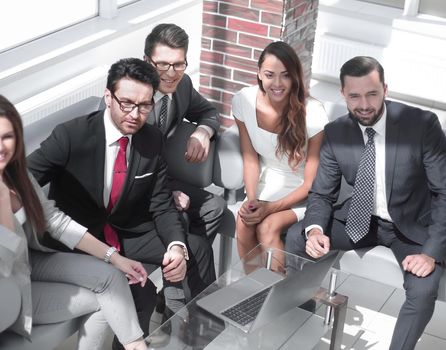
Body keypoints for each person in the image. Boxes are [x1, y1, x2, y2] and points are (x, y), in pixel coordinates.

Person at [27, 58, 216, 347]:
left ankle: (204, 336)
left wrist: (176, 247)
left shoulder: (151, 139)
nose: (135, 114)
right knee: (142, 292)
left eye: (144, 106)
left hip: (127, 230)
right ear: (108, 97)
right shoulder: (71, 136)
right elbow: (22, 178)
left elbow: (161, 203)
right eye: (126, 103)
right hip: (80, 239)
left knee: (197, 249)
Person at [0, 94, 149, 350]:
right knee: (102, 300)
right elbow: (0, 264)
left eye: (7, 136)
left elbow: (54, 220)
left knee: (111, 277)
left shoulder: (12, 169)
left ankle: (136, 346)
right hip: (9, 288)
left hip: (31, 259)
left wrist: (115, 257)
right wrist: (3, 199)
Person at [285, 56, 446, 350]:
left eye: (372, 93)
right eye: (354, 96)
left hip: (411, 228)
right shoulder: (336, 132)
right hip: (362, 220)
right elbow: (322, 193)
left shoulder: (422, 125)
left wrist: (431, 253)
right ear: (343, 95)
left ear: (385, 89)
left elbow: (444, 192)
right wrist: (316, 231)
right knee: (297, 237)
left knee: (423, 290)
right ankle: (302, 319)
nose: (364, 104)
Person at [232, 41, 327, 269]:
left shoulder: (313, 112)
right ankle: (253, 290)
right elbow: (250, 158)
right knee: (243, 222)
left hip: (302, 191)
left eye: (285, 75)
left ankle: (278, 294)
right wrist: (253, 199)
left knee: (268, 227)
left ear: (294, 77)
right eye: (269, 74)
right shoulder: (244, 101)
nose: (277, 83)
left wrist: (270, 208)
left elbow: (311, 183)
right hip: (267, 182)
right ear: (259, 74)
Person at [143, 23, 225, 245]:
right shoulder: (130, 97)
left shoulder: (183, 85)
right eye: (161, 65)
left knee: (214, 206)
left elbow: (209, 112)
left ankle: (190, 271)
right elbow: (119, 167)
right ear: (146, 61)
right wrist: (165, 196)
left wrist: (202, 132)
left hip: (162, 178)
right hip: (135, 188)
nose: (171, 74)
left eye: (179, 64)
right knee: (180, 219)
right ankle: (179, 269)